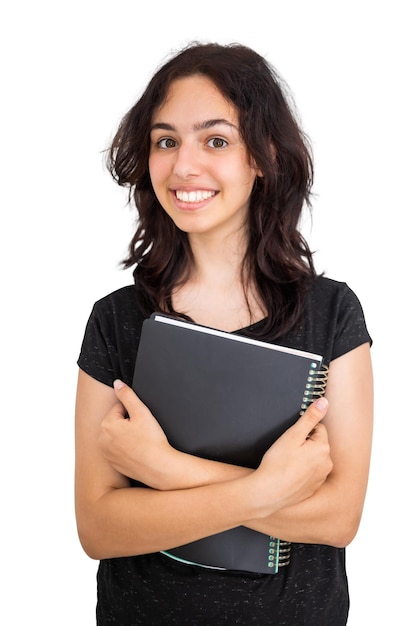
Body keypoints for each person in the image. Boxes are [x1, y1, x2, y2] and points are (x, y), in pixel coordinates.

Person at [75, 42, 373, 625]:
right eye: (166, 141)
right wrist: (269, 491)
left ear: (261, 157)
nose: (184, 166)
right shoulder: (116, 320)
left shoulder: (332, 313)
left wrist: (166, 471)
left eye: (216, 140)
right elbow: (98, 528)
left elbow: (339, 519)